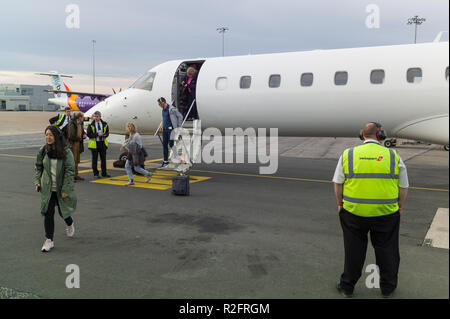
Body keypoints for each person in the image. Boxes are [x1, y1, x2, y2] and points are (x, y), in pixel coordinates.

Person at [333, 122, 409, 298]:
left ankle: (347, 286)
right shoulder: (393, 156)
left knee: (353, 250)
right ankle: (388, 288)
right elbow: (403, 187)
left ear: (362, 135)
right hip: (386, 214)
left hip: (353, 213)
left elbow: (338, 184)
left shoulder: (348, 154)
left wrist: (340, 205)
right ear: (380, 135)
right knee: (387, 250)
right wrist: (399, 207)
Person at [35, 125, 77, 252]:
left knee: (62, 212)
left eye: (51, 135)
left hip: (61, 188)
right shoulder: (43, 151)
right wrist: (37, 181)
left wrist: (66, 189)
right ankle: (49, 240)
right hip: (47, 189)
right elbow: (38, 167)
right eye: (46, 134)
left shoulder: (66, 151)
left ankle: (69, 223)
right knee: (48, 213)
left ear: (57, 136)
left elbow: (70, 171)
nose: (48, 137)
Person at [157, 97, 183, 167]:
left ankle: (177, 157)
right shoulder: (163, 110)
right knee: (164, 145)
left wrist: (179, 126)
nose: (159, 105)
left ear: (163, 103)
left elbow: (180, 116)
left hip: (171, 130)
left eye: (159, 104)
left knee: (171, 144)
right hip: (165, 130)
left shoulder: (172, 109)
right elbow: (164, 119)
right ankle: (165, 161)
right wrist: (162, 125)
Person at [86, 111, 110, 178]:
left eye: (97, 116)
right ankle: (96, 173)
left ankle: (104, 173)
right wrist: (97, 134)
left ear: (100, 116)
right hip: (94, 144)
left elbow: (108, 132)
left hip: (102, 143)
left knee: (103, 159)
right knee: (95, 160)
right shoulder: (91, 124)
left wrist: (105, 134)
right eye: (95, 116)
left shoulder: (104, 123)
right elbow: (89, 134)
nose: (96, 118)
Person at [67, 112, 87, 181]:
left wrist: (84, 134)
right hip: (73, 144)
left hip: (78, 143)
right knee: (72, 161)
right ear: (79, 118)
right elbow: (71, 135)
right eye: (82, 117)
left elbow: (82, 131)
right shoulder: (72, 123)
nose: (83, 118)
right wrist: (80, 138)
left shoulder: (80, 123)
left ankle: (76, 175)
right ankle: (71, 176)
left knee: (77, 160)